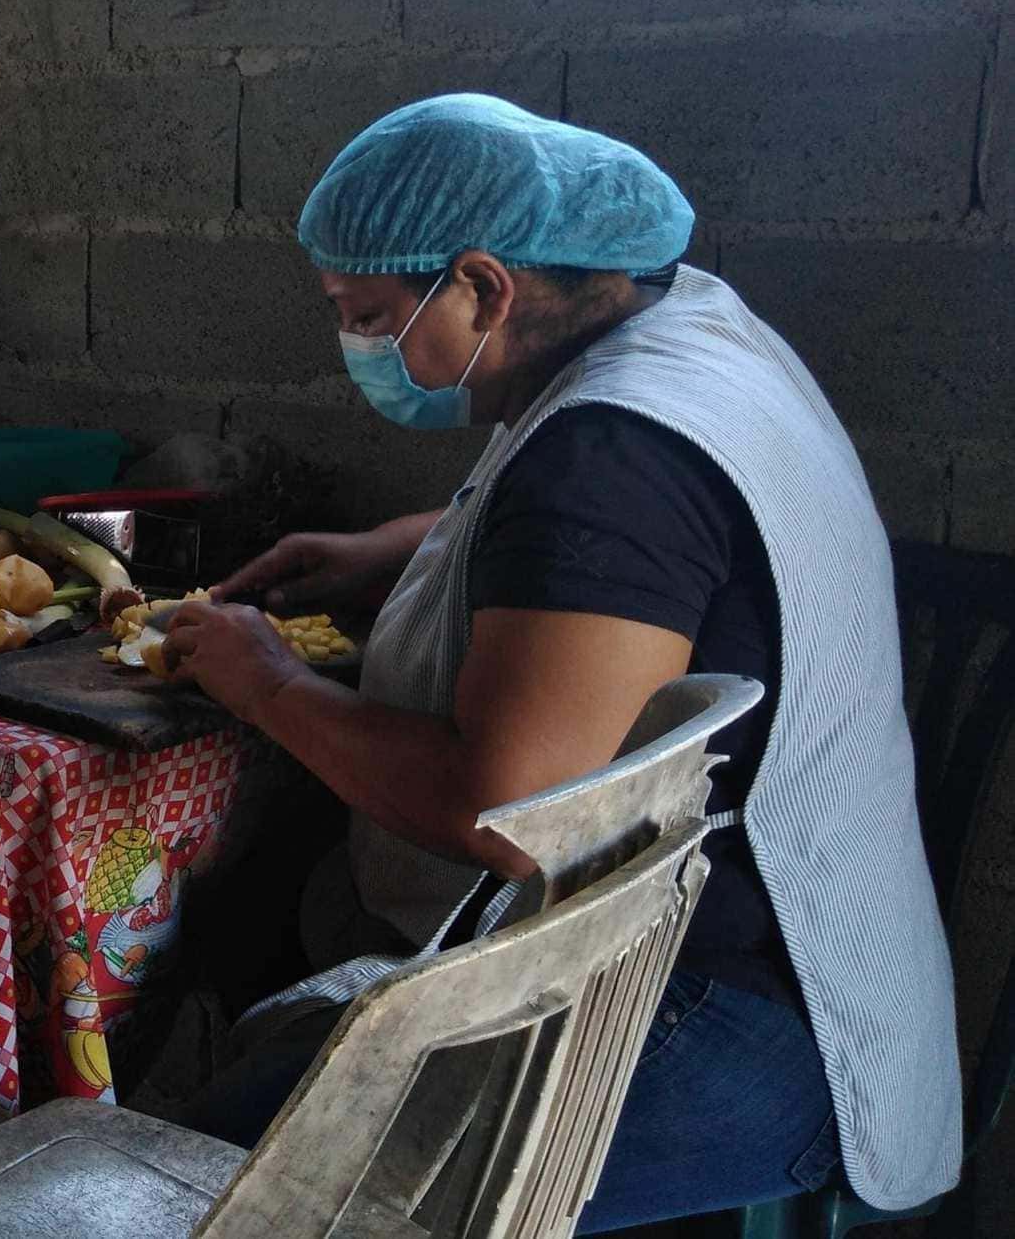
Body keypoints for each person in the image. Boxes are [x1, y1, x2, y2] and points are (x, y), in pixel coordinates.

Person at [147, 95, 960, 1229]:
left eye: (370, 315)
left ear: (483, 285)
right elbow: (615, 560)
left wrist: (270, 683)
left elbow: (506, 810)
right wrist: (403, 551)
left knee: (228, 1185)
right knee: (274, 952)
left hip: (738, 1012)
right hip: (723, 948)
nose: (357, 349)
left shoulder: (614, 454)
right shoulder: (681, 326)